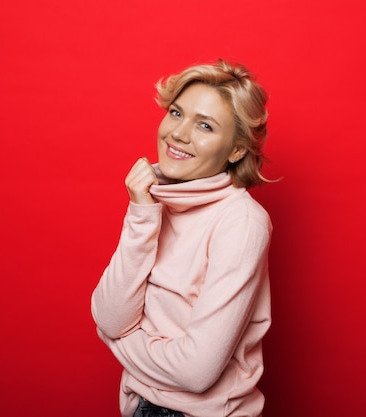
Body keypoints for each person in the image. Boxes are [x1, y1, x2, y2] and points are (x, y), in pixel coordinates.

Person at [91, 59, 273, 417]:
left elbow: (196, 372)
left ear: (236, 150)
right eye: (176, 113)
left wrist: (119, 341)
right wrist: (141, 213)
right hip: (139, 407)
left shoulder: (241, 222)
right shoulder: (156, 201)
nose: (179, 133)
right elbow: (111, 316)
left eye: (205, 125)